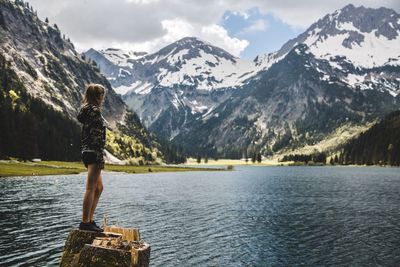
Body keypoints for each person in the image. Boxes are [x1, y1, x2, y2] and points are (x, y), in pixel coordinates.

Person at [76, 83, 107, 232]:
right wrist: (100, 153)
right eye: (101, 95)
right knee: (90, 188)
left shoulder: (86, 110)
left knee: (99, 187)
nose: (102, 98)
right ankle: (85, 223)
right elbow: (96, 135)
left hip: (87, 151)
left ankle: (90, 220)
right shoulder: (94, 111)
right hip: (94, 152)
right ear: (97, 96)